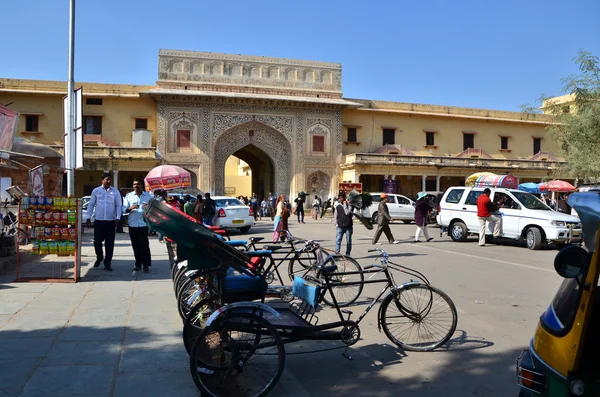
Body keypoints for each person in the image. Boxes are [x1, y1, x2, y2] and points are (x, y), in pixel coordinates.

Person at [87, 172, 122, 271]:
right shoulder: (96, 191)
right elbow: (91, 204)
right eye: (107, 179)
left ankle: (107, 263)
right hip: (99, 221)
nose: (109, 181)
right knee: (97, 241)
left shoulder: (115, 192)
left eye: (110, 179)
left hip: (111, 221)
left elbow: (118, 205)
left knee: (109, 244)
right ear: (102, 180)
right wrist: (88, 217)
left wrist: (118, 217)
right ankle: (99, 257)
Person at [123, 178, 152, 273]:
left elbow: (153, 208)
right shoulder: (129, 196)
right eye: (134, 184)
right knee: (135, 246)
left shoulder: (148, 196)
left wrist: (147, 207)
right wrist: (130, 208)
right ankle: (138, 264)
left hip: (144, 224)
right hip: (133, 224)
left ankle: (146, 265)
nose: (136, 186)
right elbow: (123, 209)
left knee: (144, 245)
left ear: (141, 185)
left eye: (138, 184)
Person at [334, 192, 353, 256]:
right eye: (339, 198)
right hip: (340, 226)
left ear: (344, 198)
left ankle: (348, 254)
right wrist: (336, 223)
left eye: (341, 198)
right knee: (338, 240)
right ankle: (337, 254)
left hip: (348, 226)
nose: (340, 199)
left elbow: (347, 212)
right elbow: (335, 216)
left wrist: (345, 204)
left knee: (348, 241)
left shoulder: (350, 206)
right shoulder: (338, 206)